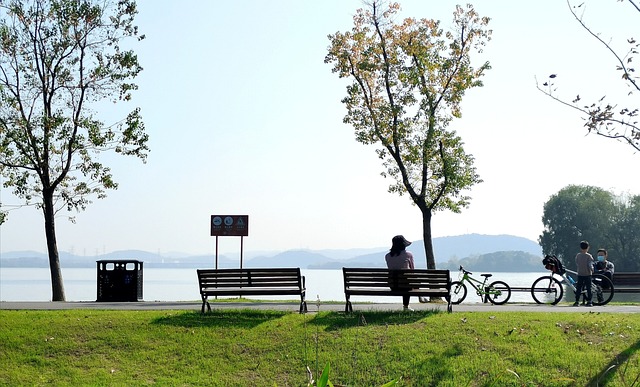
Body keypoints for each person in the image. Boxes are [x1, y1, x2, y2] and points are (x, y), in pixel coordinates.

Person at [385, 235, 422, 311]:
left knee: (404, 280)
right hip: (405, 285)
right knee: (408, 280)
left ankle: (411, 303)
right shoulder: (408, 255)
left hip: (393, 285)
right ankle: (406, 306)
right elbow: (412, 270)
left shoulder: (387, 256)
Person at [574, 240, 594, 307]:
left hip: (580, 274)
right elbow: (590, 264)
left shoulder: (578, 255)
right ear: (588, 247)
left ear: (580, 248)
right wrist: (592, 269)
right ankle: (589, 301)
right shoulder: (589, 256)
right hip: (588, 274)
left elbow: (577, 263)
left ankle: (577, 301)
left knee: (578, 288)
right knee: (588, 288)